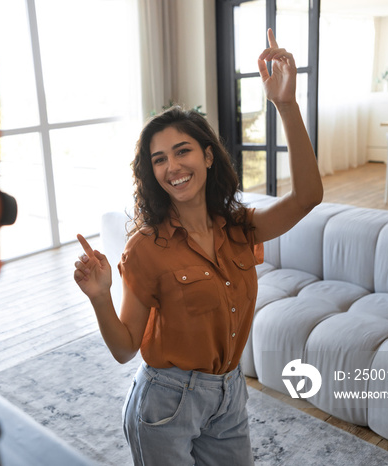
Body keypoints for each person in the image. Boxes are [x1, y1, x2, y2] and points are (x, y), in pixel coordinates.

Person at [73, 29, 323, 465]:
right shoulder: (145, 249)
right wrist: (99, 298)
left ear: (208, 157)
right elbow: (124, 349)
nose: (173, 167)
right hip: (164, 404)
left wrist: (286, 104)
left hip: (229, 393)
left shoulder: (240, 228)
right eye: (159, 159)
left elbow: (308, 197)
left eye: (182, 151)